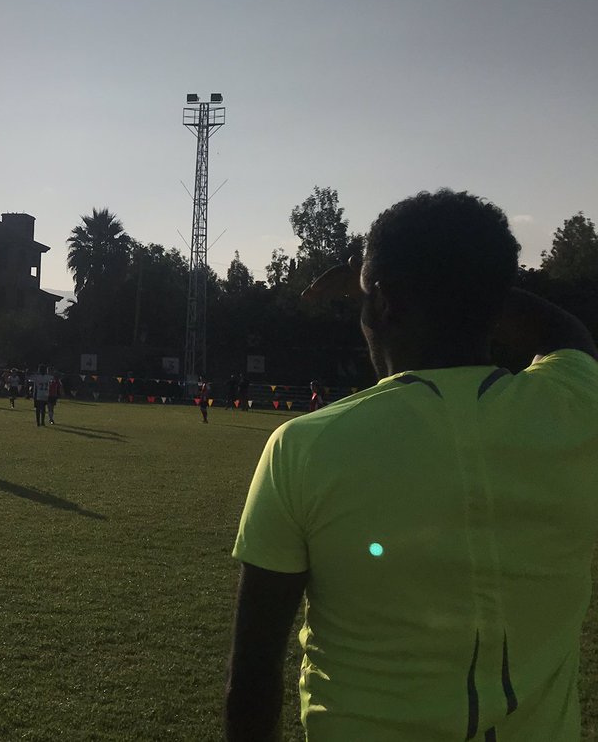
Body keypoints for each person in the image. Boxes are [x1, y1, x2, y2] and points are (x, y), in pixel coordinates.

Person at [226, 190, 598, 742]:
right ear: (495, 301)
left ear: (381, 303)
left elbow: (253, 676)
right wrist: (469, 285)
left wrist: (388, 279)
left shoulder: (305, 446)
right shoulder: (575, 408)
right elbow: (567, 333)